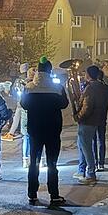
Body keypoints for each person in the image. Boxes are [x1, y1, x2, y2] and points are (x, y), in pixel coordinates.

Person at [20, 57, 69, 206]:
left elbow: (24, 105)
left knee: (34, 162)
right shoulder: (57, 88)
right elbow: (64, 104)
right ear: (49, 70)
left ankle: (32, 194)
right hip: (53, 130)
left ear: (38, 71)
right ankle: (54, 194)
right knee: (52, 163)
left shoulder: (28, 88)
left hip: (35, 130)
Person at [74, 66, 108, 184]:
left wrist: (78, 117)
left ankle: (90, 174)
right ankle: (83, 170)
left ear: (89, 75)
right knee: (83, 145)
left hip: (87, 121)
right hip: (95, 120)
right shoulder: (102, 87)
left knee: (86, 148)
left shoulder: (90, 88)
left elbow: (87, 107)